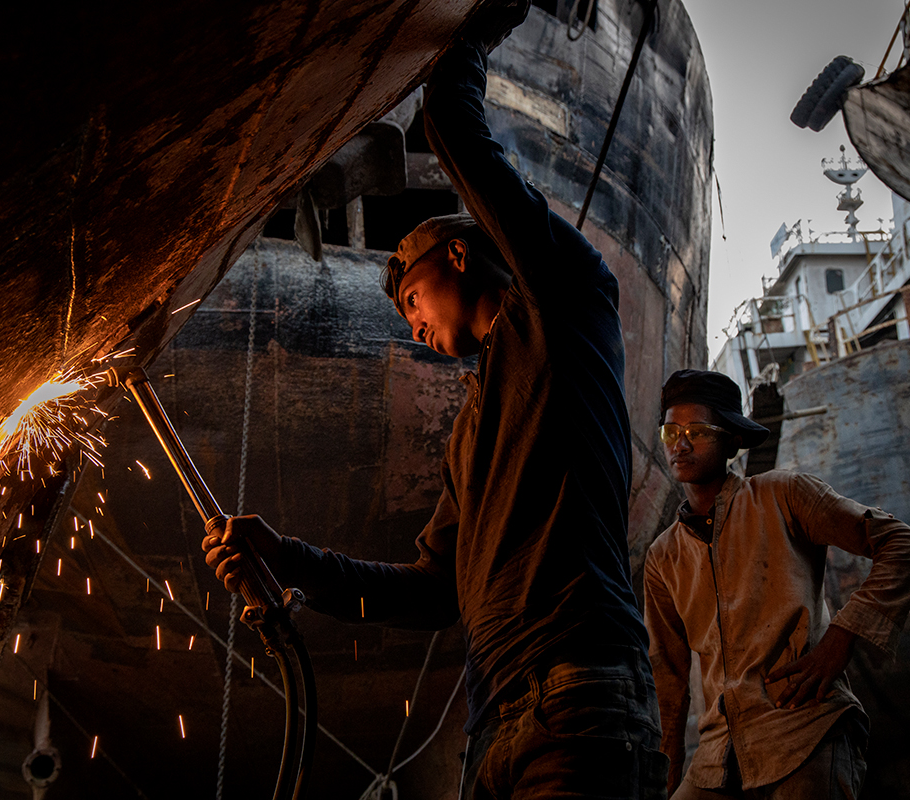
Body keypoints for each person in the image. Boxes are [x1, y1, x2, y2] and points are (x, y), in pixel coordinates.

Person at [203, 5, 668, 798]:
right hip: (498, 726)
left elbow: (453, 129)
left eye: (413, 300)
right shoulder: (472, 434)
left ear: (460, 254)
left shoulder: (563, 309)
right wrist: (289, 559)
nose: (412, 328)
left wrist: (475, 31)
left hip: (578, 698)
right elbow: (430, 591)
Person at [643, 369, 910, 799]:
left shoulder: (783, 496)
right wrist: (666, 782)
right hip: (717, 758)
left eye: (698, 430)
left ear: (730, 439)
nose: (680, 444)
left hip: (802, 731)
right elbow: (668, 679)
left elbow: (906, 546)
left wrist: (840, 639)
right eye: (672, 430)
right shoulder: (663, 557)